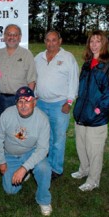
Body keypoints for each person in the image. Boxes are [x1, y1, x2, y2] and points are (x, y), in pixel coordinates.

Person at [72, 30, 109, 191]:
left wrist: (99, 109)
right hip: (81, 114)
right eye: (91, 41)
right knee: (81, 146)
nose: (94, 44)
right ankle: (84, 170)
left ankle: (93, 180)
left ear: (103, 43)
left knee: (94, 150)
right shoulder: (86, 63)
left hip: (96, 117)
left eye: (97, 41)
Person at [0, 86, 53, 216]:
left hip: (31, 152)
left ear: (34, 102)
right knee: (10, 190)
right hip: (10, 154)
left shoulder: (42, 119)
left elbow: (43, 149)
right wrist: (1, 161)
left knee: (44, 168)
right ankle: (25, 173)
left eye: (27, 101)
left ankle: (44, 200)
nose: (23, 105)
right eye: (20, 101)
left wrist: (24, 167)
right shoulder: (7, 114)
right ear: (16, 103)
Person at [34, 30, 79, 180]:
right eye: (48, 40)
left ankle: (56, 169)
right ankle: (42, 165)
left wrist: (69, 102)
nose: (51, 43)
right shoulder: (38, 58)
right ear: (44, 41)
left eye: (54, 40)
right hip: (40, 104)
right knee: (43, 137)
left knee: (58, 138)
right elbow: (33, 78)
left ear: (60, 41)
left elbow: (74, 81)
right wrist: (34, 96)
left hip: (59, 105)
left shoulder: (68, 58)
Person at [0, 24, 36, 120]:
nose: (11, 37)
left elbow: (31, 80)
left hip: (21, 99)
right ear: (4, 37)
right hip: (1, 99)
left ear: (20, 37)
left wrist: (28, 100)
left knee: (20, 129)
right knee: (4, 127)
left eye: (15, 35)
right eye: (9, 34)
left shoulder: (27, 55)